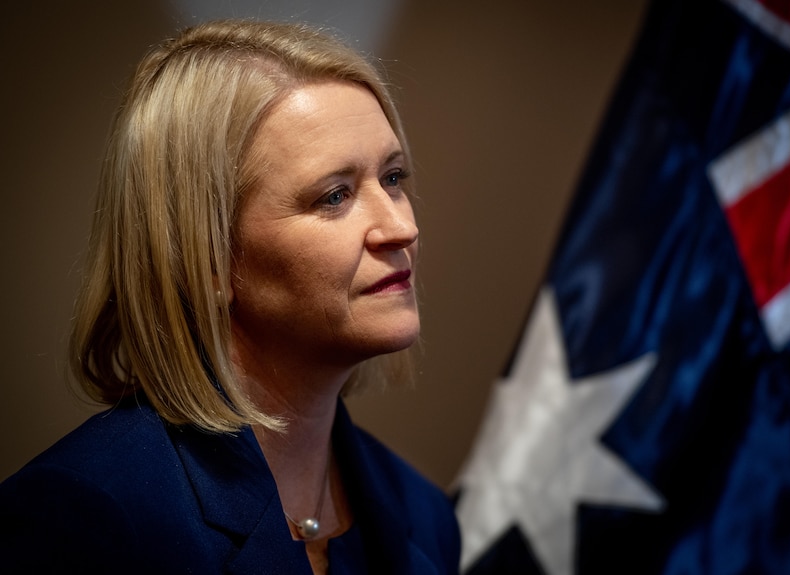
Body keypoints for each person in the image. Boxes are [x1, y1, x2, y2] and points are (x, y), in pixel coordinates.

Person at [0, 19, 460, 574]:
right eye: (335, 195)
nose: (400, 228)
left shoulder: (427, 516)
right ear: (208, 258)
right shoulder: (88, 512)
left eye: (392, 178)